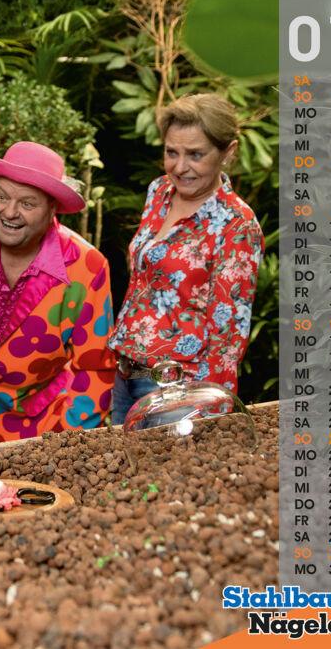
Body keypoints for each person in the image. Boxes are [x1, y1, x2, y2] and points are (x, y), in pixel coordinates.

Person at [0, 141, 117, 448]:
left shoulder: (88, 267)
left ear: (53, 207)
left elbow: (96, 369)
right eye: (1, 196)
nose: (10, 212)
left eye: (28, 204)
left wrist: (63, 443)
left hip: (41, 435)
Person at [108, 93, 264, 424]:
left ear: (228, 152)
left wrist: (208, 415)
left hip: (180, 391)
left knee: (166, 477)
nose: (180, 167)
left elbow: (228, 336)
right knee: (122, 474)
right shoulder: (159, 192)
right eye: (171, 152)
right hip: (125, 376)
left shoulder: (236, 224)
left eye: (195, 154)